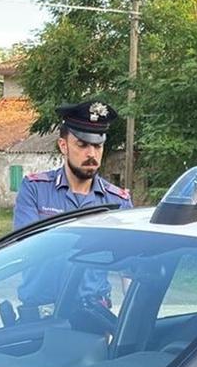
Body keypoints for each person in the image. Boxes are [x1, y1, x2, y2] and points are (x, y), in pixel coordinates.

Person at [12, 101, 132, 324]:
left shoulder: (117, 202)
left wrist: (130, 324)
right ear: (63, 145)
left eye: (97, 146)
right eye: (82, 145)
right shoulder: (35, 189)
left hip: (93, 317)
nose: (91, 154)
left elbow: (131, 272)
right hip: (39, 317)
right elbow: (28, 247)